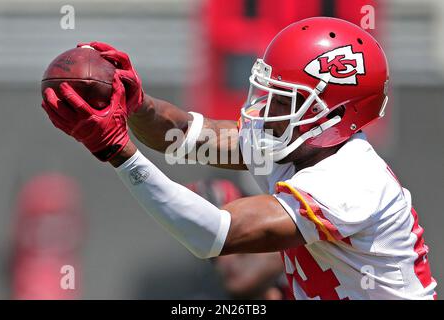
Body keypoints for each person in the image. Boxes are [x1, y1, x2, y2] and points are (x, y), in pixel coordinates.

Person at [41, 17, 437, 299]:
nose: (267, 110)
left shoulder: (353, 180)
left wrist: (117, 151)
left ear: (337, 113)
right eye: (270, 93)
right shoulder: (298, 144)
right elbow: (185, 136)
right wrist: (136, 104)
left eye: (286, 99)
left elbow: (215, 233)